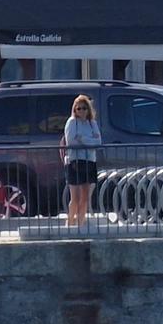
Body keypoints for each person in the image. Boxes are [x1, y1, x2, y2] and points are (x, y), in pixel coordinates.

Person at [62, 94, 101, 229]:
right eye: (78, 109)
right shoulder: (72, 122)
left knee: (85, 196)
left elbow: (98, 142)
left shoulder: (92, 123)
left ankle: (81, 223)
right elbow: (71, 141)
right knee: (75, 196)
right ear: (75, 110)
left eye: (84, 108)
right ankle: (70, 222)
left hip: (89, 160)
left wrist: (83, 139)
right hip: (75, 162)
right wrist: (89, 140)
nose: (81, 111)